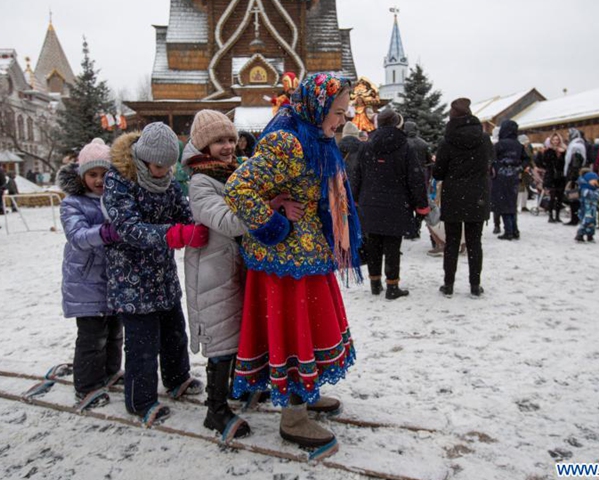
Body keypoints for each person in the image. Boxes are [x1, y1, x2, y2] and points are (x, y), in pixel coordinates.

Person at [225, 72, 361, 449]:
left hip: (309, 256)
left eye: (344, 111)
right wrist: (274, 225)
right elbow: (238, 189)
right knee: (298, 330)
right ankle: (294, 417)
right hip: (285, 265)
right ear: (317, 106)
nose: (342, 120)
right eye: (337, 111)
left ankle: (308, 389)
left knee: (311, 330)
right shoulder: (288, 141)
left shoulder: (314, 134)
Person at [102, 122, 207, 425]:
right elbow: (127, 228)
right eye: (158, 166)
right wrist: (175, 236)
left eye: (168, 166)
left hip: (162, 275)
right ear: (143, 159)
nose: (163, 171)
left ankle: (177, 379)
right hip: (130, 278)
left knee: (174, 331)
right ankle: (140, 400)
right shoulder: (119, 180)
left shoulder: (169, 182)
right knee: (142, 342)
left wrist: (198, 226)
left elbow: (183, 213)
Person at [181, 110, 252, 440]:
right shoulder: (200, 181)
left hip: (236, 266)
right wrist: (269, 207)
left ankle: (238, 388)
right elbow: (230, 222)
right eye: (219, 141)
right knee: (222, 340)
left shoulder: (234, 172)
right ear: (202, 146)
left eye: (230, 139)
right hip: (213, 272)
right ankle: (216, 409)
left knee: (240, 333)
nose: (227, 146)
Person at [58, 138, 123, 409]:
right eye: (92, 174)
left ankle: (109, 371)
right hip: (86, 282)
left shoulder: (117, 199)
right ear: (82, 175)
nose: (99, 180)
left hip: (114, 279)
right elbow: (77, 236)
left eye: (104, 174)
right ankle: (86, 386)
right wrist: (105, 232)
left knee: (114, 331)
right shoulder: (73, 203)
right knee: (91, 337)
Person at [351, 108, 428, 299]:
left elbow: (356, 175)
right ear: (396, 123)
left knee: (373, 244)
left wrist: (354, 198)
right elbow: (415, 178)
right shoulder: (405, 147)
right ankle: (392, 286)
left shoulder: (367, 146)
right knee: (393, 246)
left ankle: (375, 283)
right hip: (397, 203)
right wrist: (421, 204)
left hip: (370, 203)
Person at [433, 98, 493, 297]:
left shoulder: (447, 141)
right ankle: (475, 285)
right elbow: (489, 164)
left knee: (452, 242)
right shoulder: (484, 139)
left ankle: (448, 284)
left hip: (454, 196)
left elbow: (438, 173)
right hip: (478, 195)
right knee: (475, 242)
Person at [491, 120, 528, 240]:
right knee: (512, 203)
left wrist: (497, 168)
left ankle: (509, 231)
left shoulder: (499, 145)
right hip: (514, 177)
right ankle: (515, 229)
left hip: (501, 177)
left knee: (503, 204)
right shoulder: (519, 145)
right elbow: (526, 159)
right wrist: (519, 168)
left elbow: (492, 160)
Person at [403, 121, 433, 240]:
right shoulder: (423, 144)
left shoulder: (403, 144)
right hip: (421, 176)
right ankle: (417, 226)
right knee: (421, 203)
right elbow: (429, 162)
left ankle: (410, 229)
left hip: (406, 177)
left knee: (408, 204)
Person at [541, 133, 567, 223]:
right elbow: (545, 162)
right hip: (551, 176)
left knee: (560, 196)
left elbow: (564, 163)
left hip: (560, 176)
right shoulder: (548, 151)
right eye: (554, 140)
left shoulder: (564, 151)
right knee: (552, 196)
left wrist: (562, 153)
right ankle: (551, 215)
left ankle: (557, 216)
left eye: (557, 140)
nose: (556, 142)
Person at [564, 129, 588, 226]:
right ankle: (575, 218)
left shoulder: (575, 146)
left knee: (574, 198)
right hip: (575, 174)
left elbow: (575, 162)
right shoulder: (576, 145)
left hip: (574, 175)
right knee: (574, 198)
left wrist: (572, 177)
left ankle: (575, 219)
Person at [575, 170, 599, 242]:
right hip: (586, 210)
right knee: (586, 222)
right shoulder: (584, 189)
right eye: (593, 180)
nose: (595, 182)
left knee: (592, 223)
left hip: (592, 210)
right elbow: (593, 196)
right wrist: (597, 191)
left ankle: (590, 235)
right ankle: (580, 234)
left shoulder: (593, 189)